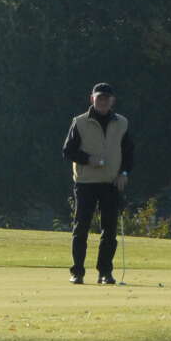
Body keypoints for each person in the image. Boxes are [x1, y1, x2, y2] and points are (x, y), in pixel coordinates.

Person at [62, 82, 135, 284]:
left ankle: (105, 272)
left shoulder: (122, 123)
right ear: (92, 99)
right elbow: (68, 151)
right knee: (81, 229)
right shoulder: (79, 122)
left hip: (111, 183)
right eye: (99, 98)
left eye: (106, 98)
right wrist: (88, 159)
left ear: (112, 101)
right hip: (85, 183)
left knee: (109, 231)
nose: (102, 101)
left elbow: (128, 152)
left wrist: (124, 173)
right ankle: (77, 272)